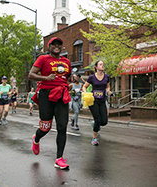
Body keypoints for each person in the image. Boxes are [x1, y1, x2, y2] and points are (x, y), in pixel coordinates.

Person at [28, 37, 72, 170]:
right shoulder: (43, 58)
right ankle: (36, 138)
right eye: (54, 44)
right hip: (46, 95)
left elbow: (67, 76)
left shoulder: (66, 61)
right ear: (49, 47)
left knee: (62, 126)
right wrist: (45, 78)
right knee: (45, 127)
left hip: (62, 95)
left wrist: (71, 81)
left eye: (59, 44)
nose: (57, 46)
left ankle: (59, 158)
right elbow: (31, 74)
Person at [82, 60, 112, 146]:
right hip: (93, 100)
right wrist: (85, 93)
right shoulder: (92, 77)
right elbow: (85, 86)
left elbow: (108, 86)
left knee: (104, 121)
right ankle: (94, 138)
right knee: (98, 119)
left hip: (102, 100)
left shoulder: (106, 77)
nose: (102, 66)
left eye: (103, 64)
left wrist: (108, 91)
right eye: (100, 64)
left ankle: (94, 124)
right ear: (96, 67)